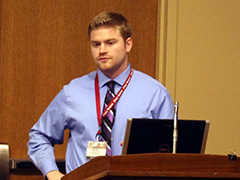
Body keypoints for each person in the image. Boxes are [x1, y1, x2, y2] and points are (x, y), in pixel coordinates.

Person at [27, 11, 174, 180]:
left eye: (110, 43)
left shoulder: (154, 93)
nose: (102, 50)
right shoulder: (72, 92)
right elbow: (39, 137)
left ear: (128, 44)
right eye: (96, 44)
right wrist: (52, 173)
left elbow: (170, 154)